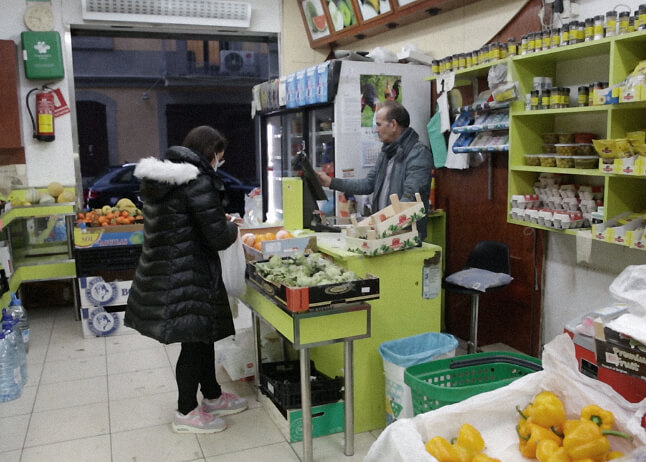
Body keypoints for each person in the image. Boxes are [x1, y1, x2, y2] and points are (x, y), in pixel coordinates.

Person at [125, 125, 248, 434]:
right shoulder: (197, 182)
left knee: (201, 336)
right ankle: (186, 411)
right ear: (210, 155)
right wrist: (234, 227)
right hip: (186, 272)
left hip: (170, 269)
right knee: (193, 344)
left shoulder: (164, 180)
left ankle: (212, 394)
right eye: (219, 156)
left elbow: (186, 222)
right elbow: (217, 237)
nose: (220, 162)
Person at [315, 100, 433, 240]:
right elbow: (368, 184)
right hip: (383, 234)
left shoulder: (418, 153)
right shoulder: (386, 153)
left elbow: (408, 200)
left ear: (393, 125)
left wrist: (380, 225)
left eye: (378, 124)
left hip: (405, 237)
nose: (376, 130)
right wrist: (330, 182)